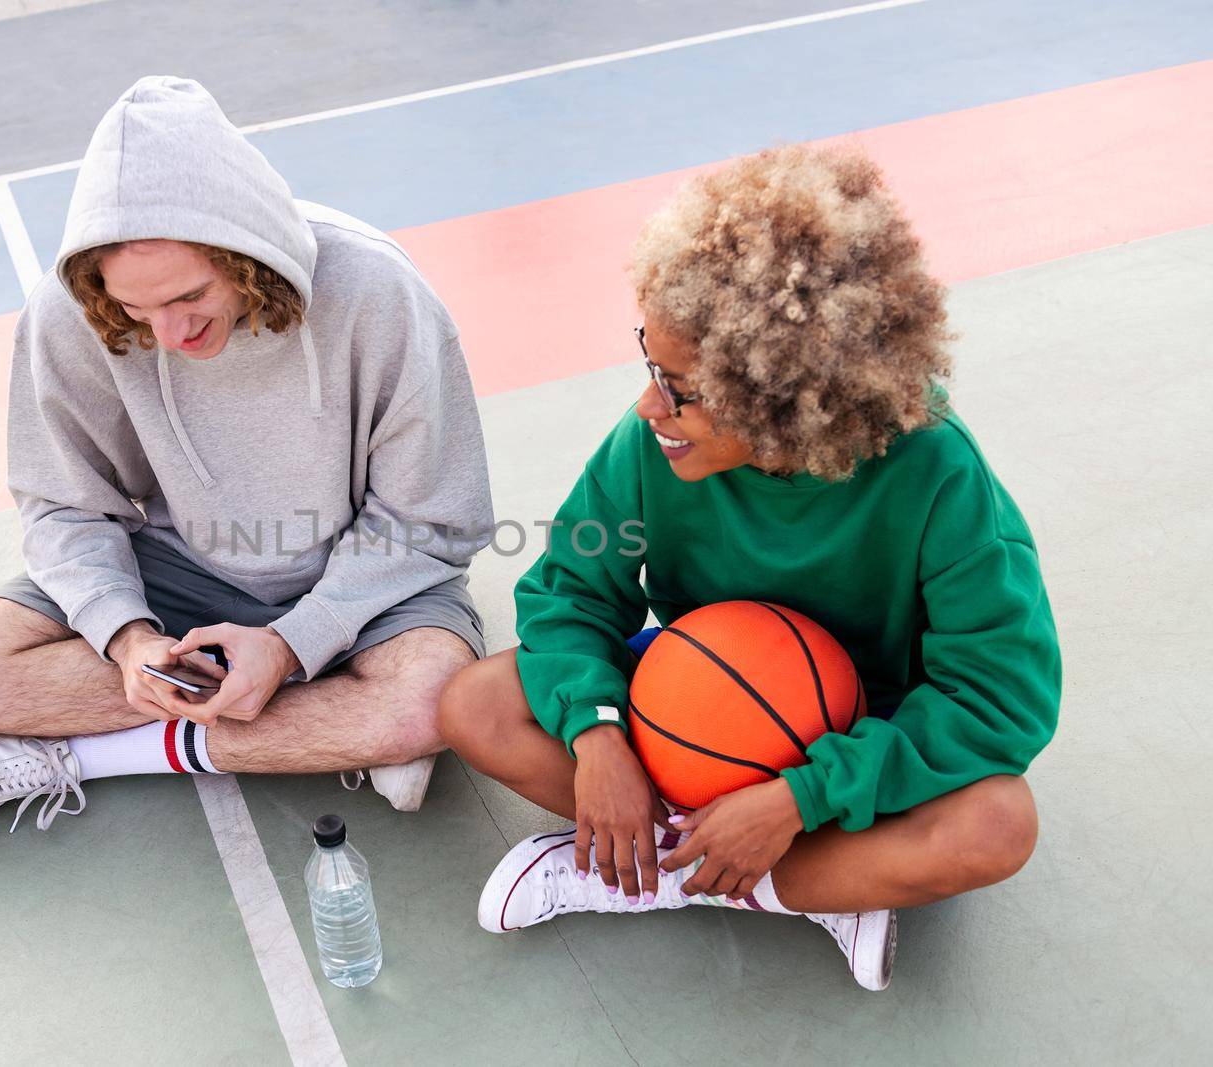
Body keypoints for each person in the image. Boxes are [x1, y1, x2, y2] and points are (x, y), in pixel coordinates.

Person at [437, 145, 1060, 991]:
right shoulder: (649, 445)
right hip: (698, 703)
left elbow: (998, 699)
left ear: (784, 397)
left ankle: (651, 874)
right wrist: (597, 735)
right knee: (477, 704)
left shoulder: (937, 475)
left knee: (996, 825)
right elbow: (569, 591)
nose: (651, 403)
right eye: (650, 364)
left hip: (860, 731)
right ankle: (814, 882)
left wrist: (802, 799)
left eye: (681, 386)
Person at [0, 76, 492, 835]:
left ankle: (84, 752)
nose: (169, 333)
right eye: (135, 310)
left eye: (189, 297)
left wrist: (291, 644)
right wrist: (127, 638)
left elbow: (432, 518)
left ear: (247, 254)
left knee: (437, 697)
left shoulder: (377, 290)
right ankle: (329, 733)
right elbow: (64, 503)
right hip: (180, 571)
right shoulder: (70, 312)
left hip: (370, 580)